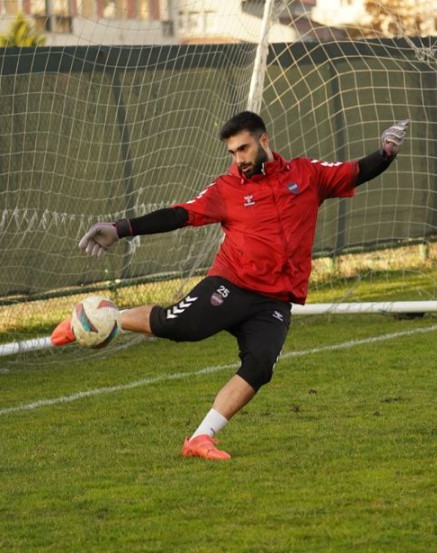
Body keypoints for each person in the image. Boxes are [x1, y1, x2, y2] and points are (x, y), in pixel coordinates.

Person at [55, 111, 409, 460]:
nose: (238, 159)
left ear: (263, 141)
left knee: (260, 367)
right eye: (232, 153)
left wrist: (386, 152)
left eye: (243, 149)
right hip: (232, 284)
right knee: (177, 327)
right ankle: (94, 317)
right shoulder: (227, 189)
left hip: (275, 300)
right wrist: (120, 228)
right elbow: (180, 214)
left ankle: (200, 438)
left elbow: (357, 171)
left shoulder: (306, 174)